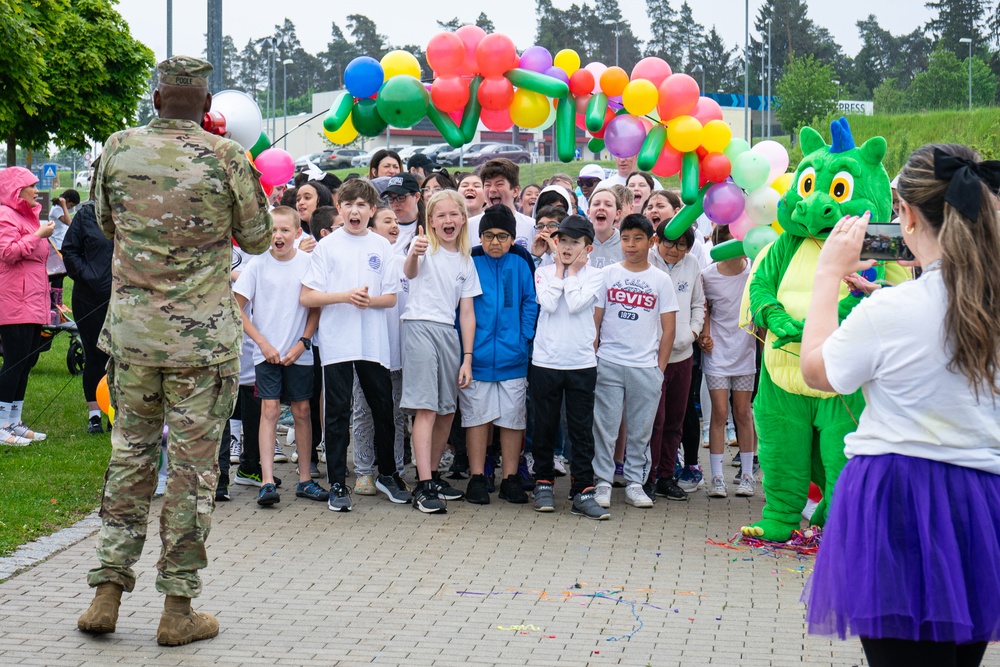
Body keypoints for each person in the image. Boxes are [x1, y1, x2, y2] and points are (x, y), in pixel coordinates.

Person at [77, 56, 272, 646]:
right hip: (202, 346)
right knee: (190, 473)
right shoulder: (226, 157)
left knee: (130, 459)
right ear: (207, 109)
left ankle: (106, 595)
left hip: (134, 339)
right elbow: (260, 237)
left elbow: (106, 224)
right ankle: (177, 609)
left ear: (157, 99)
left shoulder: (118, 147)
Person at [801, 144, 1000, 667]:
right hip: (982, 499)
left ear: (906, 216)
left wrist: (826, 277)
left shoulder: (892, 309)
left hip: (897, 497)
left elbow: (818, 372)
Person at [300, 178, 406, 512]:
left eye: (362, 205)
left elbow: (389, 298)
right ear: (340, 208)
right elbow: (307, 295)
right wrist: (345, 296)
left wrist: (367, 301)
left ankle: (387, 474)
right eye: (348, 205)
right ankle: (336, 484)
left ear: (372, 210)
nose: (354, 210)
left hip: (373, 342)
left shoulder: (382, 247)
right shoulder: (327, 247)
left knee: (383, 409)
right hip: (337, 343)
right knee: (337, 413)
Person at [233, 206, 325, 507]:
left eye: (285, 230)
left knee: (301, 411)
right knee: (269, 410)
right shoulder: (256, 266)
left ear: (298, 233)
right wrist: (262, 344)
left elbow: (315, 308)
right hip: (267, 353)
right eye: (272, 230)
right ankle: (267, 480)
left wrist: (303, 342)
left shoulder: (308, 263)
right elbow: (238, 309)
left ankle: (304, 479)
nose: (278, 236)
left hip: (298, 352)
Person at [400, 190, 480, 513]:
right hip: (419, 326)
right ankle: (422, 485)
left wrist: (468, 358)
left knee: (447, 410)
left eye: (454, 215)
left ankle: (431, 475)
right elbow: (409, 272)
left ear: (463, 219)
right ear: (430, 222)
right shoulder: (423, 247)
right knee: (427, 409)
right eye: (441, 216)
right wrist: (414, 253)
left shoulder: (466, 260)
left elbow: (467, 313)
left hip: (449, 334)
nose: (448, 221)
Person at [591, 214, 678, 510]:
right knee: (605, 426)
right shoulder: (608, 275)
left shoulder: (661, 280)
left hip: (645, 368)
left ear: (651, 241)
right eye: (626, 238)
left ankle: (635, 483)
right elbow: (596, 320)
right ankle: (602, 481)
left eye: (638, 238)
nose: (630, 244)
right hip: (609, 363)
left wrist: (659, 370)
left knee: (641, 430)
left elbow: (669, 328)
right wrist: (595, 355)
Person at [530, 214, 608, 518]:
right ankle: (543, 482)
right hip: (545, 361)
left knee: (580, 428)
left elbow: (575, 304)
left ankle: (583, 490)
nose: (565, 246)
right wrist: (561, 271)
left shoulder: (596, 275)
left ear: (588, 248)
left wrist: (571, 272)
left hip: (581, 362)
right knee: (545, 426)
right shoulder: (544, 271)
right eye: (561, 240)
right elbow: (548, 303)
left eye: (574, 242)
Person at [461, 205, 538, 505]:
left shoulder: (520, 261)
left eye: (502, 236)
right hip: (477, 357)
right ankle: (478, 477)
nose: (495, 242)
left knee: (512, 419)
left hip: (513, 356)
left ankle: (509, 478)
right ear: (480, 237)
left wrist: (524, 338)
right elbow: (462, 306)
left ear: (512, 238)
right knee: (476, 417)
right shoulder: (471, 260)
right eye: (489, 236)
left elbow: (529, 302)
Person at [352, 205, 410, 498]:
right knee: (364, 412)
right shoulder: (364, 262)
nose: (395, 225)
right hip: (368, 351)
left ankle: (395, 470)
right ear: (372, 227)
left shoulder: (404, 263)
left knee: (396, 414)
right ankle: (363, 470)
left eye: (397, 221)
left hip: (397, 351)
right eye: (388, 220)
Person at [698, 224, 757, 498]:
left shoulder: (755, 271)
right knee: (720, 412)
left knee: (743, 411)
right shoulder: (708, 276)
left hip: (745, 350)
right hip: (717, 353)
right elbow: (704, 308)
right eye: (728, 239)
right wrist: (705, 335)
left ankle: (747, 474)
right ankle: (717, 477)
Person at [647, 222, 705, 502]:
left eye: (682, 245)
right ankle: (647, 475)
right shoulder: (645, 260)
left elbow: (698, 302)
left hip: (682, 354)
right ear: (657, 240)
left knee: (674, 420)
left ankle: (667, 476)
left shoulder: (692, 263)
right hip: (650, 354)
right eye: (670, 243)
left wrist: (693, 332)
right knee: (652, 420)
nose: (674, 250)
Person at [0, 167, 51, 445]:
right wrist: (38, 235)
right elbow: (6, 252)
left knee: (26, 362)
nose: (36, 190)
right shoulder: (5, 215)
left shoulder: (28, 217)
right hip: (14, 301)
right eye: (31, 186)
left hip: (32, 301)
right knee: (14, 362)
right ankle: (0, 424)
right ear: (17, 191)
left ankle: (13, 421)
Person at [61, 194, 114, 434]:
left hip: (124, 299)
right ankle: (94, 414)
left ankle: (116, 412)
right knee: (95, 356)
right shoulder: (86, 214)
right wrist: (87, 275)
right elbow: (69, 250)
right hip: (88, 297)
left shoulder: (131, 212)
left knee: (120, 358)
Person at [469, 158, 535, 251]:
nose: (492, 190)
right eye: (487, 185)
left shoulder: (531, 226)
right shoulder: (469, 226)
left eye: (499, 184)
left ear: (515, 191)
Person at [381, 173, 424, 254]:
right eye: (390, 199)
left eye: (401, 198)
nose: (395, 203)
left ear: (417, 196)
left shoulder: (431, 226)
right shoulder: (382, 229)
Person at [586, 187, 623, 269]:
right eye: (596, 204)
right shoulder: (579, 241)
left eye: (608, 205)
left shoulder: (625, 242)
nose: (601, 208)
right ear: (588, 212)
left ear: (617, 214)